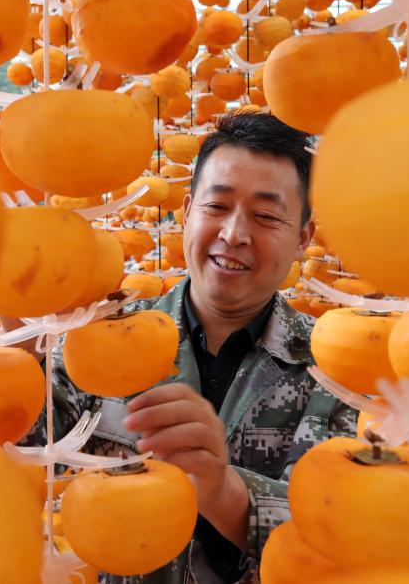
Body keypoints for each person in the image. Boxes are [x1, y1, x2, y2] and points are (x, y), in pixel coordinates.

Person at [22, 111, 357, 583]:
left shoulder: (336, 366)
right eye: (216, 207)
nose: (234, 234)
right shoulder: (105, 337)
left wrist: (224, 491)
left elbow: (344, 536)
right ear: (186, 212)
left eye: (265, 216)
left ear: (303, 238)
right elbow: (28, 447)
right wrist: (17, 345)